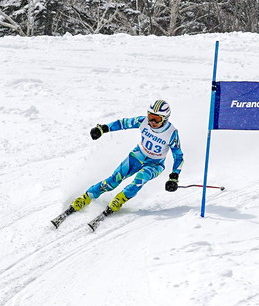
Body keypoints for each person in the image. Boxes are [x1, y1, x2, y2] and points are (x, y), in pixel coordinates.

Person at [51, 98, 184, 230]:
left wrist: (174, 177)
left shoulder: (171, 133)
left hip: (155, 164)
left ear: (165, 119)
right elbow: (123, 123)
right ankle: (85, 197)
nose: (152, 122)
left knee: (140, 179)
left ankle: (118, 200)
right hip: (138, 155)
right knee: (113, 180)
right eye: (151, 116)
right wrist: (103, 129)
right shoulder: (143, 121)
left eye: (157, 119)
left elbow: (178, 156)